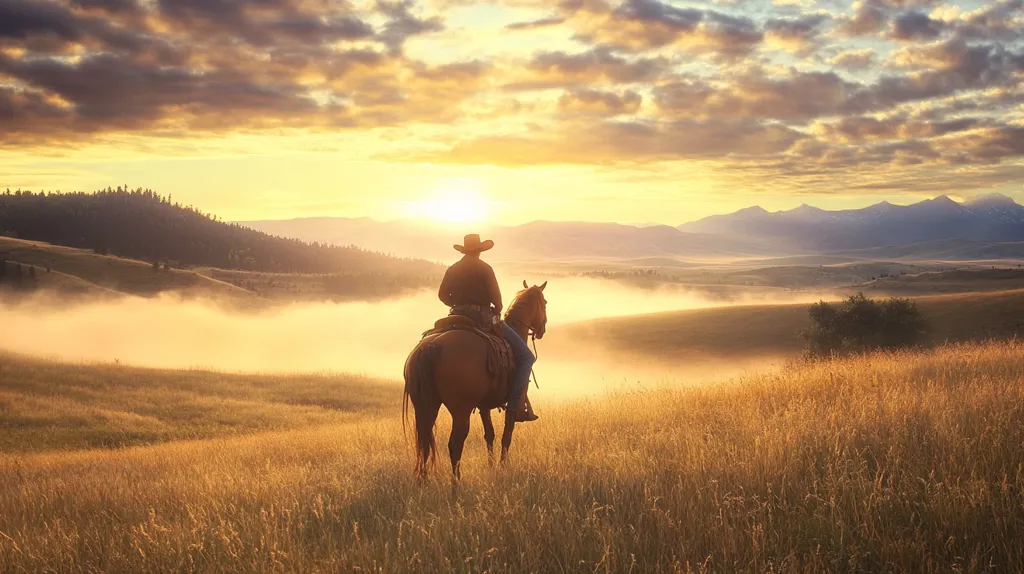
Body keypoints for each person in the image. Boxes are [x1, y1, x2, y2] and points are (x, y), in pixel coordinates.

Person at [438, 234, 538, 422]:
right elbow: (498, 301)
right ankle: (515, 408)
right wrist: (494, 310)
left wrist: (458, 304)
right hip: (482, 318)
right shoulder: (485, 269)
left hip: (455, 316)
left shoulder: (452, 269)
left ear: (465, 250)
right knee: (526, 357)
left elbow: (442, 295)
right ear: (479, 251)